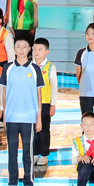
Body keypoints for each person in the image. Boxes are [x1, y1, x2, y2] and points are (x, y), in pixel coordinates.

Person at [0, 36, 45, 186]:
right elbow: (4, 92)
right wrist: (4, 116)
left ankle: (28, 184)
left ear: (29, 49)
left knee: (28, 152)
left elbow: (39, 95)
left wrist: (38, 118)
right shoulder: (8, 68)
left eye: (24, 46)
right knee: (12, 152)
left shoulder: (35, 69)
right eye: (18, 46)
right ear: (14, 49)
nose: (21, 49)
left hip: (29, 118)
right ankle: (12, 183)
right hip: (12, 117)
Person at [33, 37, 58, 167]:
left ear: (46, 52)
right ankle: (34, 153)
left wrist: (53, 104)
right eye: (35, 49)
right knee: (33, 129)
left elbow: (54, 86)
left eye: (40, 49)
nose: (37, 52)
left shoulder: (50, 67)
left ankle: (43, 155)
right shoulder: (29, 65)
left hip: (45, 103)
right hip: (31, 103)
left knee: (44, 130)